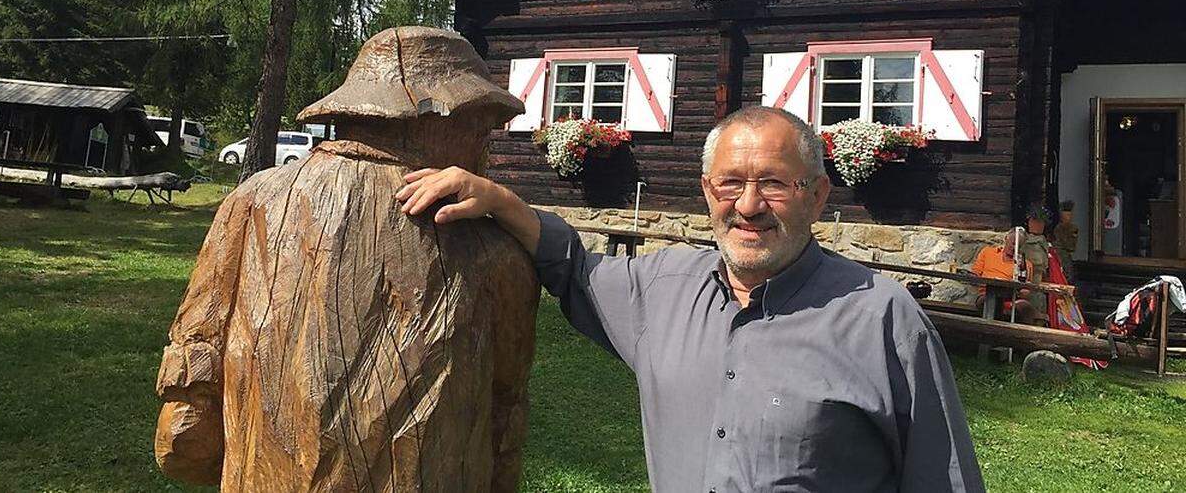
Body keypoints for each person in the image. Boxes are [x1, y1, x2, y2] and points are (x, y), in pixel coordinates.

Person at [397, 105, 984, 492]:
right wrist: (497, 199)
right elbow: (571, 264)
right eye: (731, 183)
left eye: (774, 184)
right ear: (708, 191)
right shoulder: (661, 290)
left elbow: (945, 480)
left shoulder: (883, 319)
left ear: (817, 195)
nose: (749, 205)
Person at [154, 27, 539, 491]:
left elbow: (185, 428)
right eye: (484, 128)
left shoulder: (253, 199)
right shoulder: (494, 249)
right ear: (442, 118)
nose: (487, 147)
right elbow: (506, 415)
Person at [971, 228, 1040, 325]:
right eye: (1013, 243)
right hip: (986, 294)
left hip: (1011, 297)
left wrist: (1020, 291)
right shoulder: (988, 253)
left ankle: (1023, 338)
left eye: (1018, 246)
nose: (1014, 248)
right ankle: (992, 333)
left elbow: (1026, 291)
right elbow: (974, 275)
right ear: (1006, 238)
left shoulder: (1024, 264)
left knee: (1026, 307)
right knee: (992, 302)